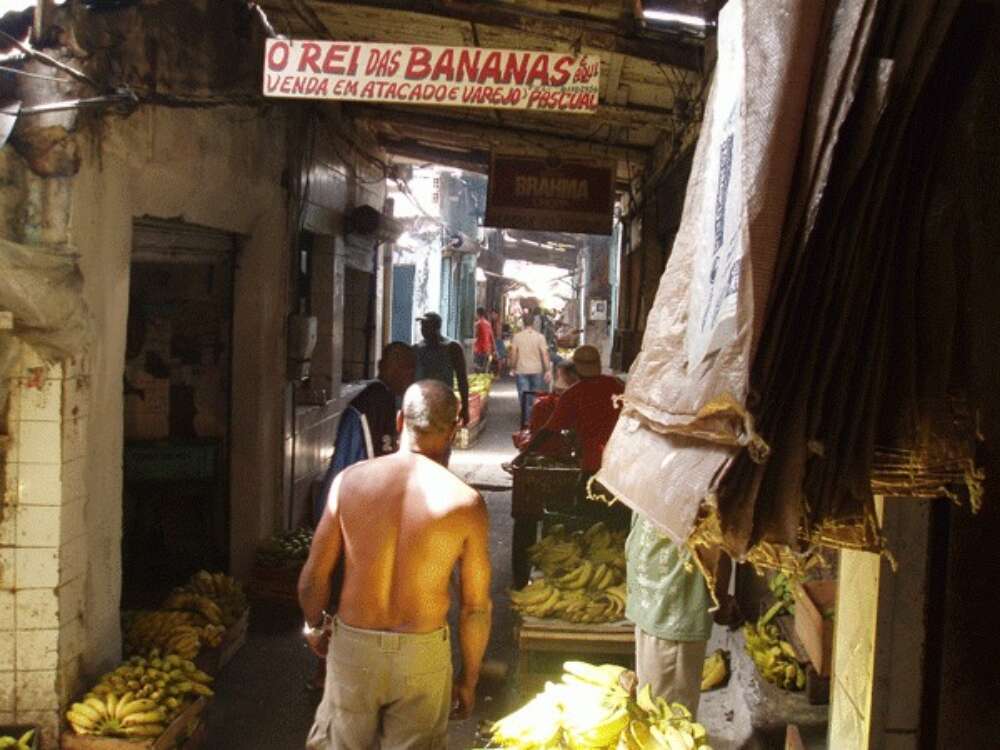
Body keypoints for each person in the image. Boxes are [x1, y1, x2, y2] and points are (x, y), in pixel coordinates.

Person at [300, 380, 493, 749]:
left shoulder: (350, 482)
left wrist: (313, 625)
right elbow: (475, 608)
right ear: (454, 429)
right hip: (421, 655)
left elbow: (313, 578)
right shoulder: (466, 503)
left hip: (355, 645)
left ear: (401, 420)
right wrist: (469, 678)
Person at [625, 516, 739, 716]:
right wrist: (719, 601)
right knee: (671, 718)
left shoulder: (654, 486)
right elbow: (716, 550)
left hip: (648, 597)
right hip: (674, 612)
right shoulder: (701, 493)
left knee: (652, 704)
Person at [511, 345, 622, 478]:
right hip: (619, 456)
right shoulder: (615, 384)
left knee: (586, 494)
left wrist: (525, 454)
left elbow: (549, 430)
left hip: (593, 458)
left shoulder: (573, 394)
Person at [413, 311, 470, 426]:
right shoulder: (416, 349)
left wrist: (465, 407)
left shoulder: (452, 348)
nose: (422, 329)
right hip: (421, 404)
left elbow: (462, 379)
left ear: (437, 328)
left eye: (426, 326)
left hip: (444, 404)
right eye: (422, 326)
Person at [508, 321, 551, 427]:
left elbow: (513, 353)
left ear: (523, 323)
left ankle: (526, 420)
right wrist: (548, 370)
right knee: (535, 396)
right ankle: (534, 419)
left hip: (522, 369)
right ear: (534, 323)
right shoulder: (540, 337)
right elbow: (544, 354)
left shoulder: (517, 337)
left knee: (524, 396)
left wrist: (512, 367)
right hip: (537, 370)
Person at [473, 307, 496, 373]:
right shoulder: (488, 324)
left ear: (477, 314)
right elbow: (492, 337)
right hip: (487, 349)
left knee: (478, 367)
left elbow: (475, 335)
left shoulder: (477, 324)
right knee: (485, 368)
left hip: (479, 349)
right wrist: (494, 349)